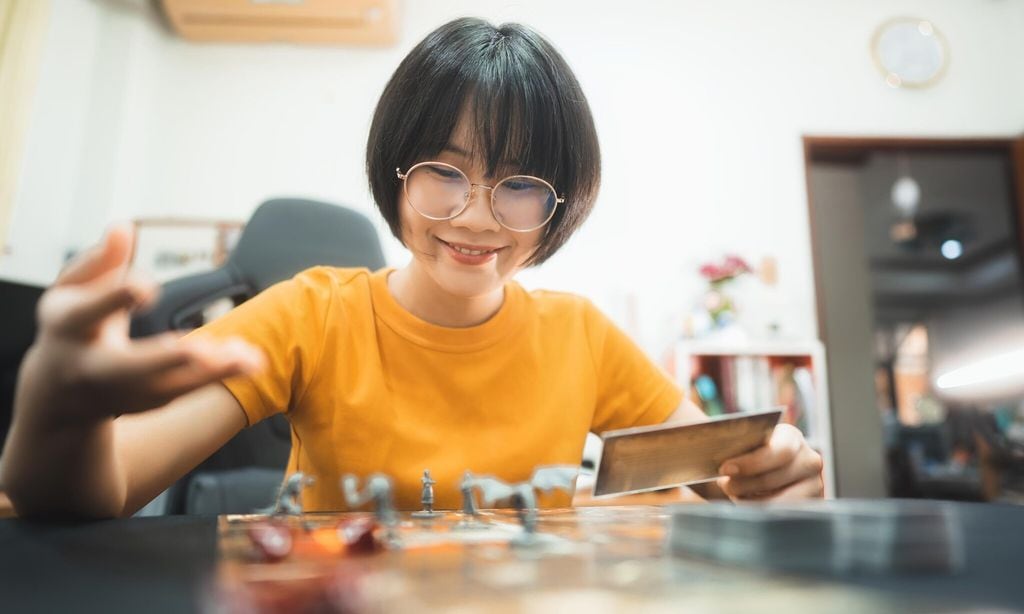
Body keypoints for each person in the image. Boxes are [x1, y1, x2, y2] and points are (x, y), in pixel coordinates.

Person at [0, 18, 823, 519]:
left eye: (521, 186)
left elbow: (732, 475)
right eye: (445, 172)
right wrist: (57, 415)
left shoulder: (580, 335)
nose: (475, 216)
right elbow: (103, 489)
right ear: (395, 169)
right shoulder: (311, 314)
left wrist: (780, 471)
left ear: (559, 203)